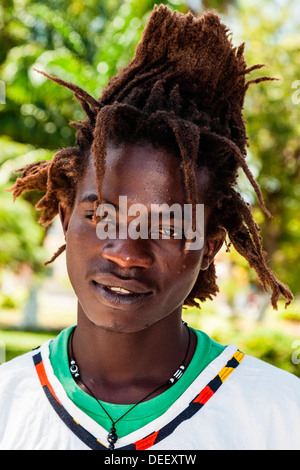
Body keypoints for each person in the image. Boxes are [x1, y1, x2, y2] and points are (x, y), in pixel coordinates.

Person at [0, 5, 299, 451]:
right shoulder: (8, 404)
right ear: (66, 220)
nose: (126, 252)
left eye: (168, 226)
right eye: (102, 216)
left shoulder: (282, 416)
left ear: (209, 247)